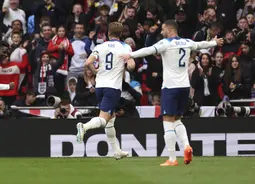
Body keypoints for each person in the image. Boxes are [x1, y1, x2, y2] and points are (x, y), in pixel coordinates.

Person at [128, 20, 224, 166]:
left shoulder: (165, 43)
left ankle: (172, 158)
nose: (161, 32)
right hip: (185, 87)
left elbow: (148, 50)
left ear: (169, 29)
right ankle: (186, 145)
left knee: (167, 121)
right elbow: (201, 45)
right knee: (177, 119)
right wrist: (214, 43)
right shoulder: (187, 42)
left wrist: (130, 55)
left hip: (170, 88)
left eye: (162, 29)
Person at [75, 22, 135, 160]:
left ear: (108, 33)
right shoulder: (125, 47)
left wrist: (96, 72)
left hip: (100, 86)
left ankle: (117, 151)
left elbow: (87, 63)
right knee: (104, 118)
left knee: (111, 119)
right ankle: (84, 127)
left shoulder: (100, 46)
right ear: (121, 34)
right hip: (112, 87)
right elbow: (131, 66)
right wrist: (129, 64)